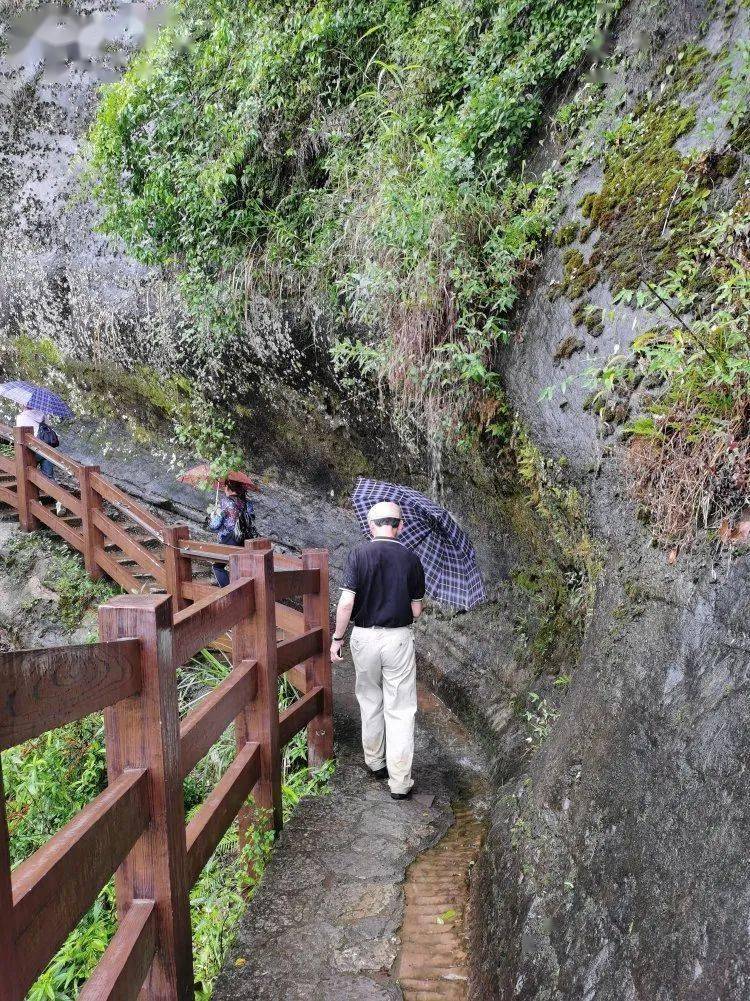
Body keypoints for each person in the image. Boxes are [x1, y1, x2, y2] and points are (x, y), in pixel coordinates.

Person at [330, 500, 425, 800]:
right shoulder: (412, 560)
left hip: (364, 637)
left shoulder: (358, 554)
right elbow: (417, 610)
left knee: (370, 698)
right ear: (400, 526)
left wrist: (337, 638)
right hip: (398, 638)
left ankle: (375, 762)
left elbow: (346, 603)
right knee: (400, 708)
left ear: (371, 524)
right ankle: (399, 782)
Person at [15, 407, 64, 515]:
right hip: (45, 449)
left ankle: (37, 502)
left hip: (31, 451)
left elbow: (19, 434)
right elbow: (49, 427)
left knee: (30, 475)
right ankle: (60, 500)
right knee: (49, 477)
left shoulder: (20, 417)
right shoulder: (42, 414)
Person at [207, 481, 256, 587]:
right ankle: (240, 589)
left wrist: (212, 517)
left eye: (225, 487)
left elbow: (215, 526)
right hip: (246, 541)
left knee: (217, 566)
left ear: (229, 488)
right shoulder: (248, 503)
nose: (224, 489)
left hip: (230, 540)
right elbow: (251, 520)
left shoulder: (225, 502)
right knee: (238, 567)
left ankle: (229, 591)